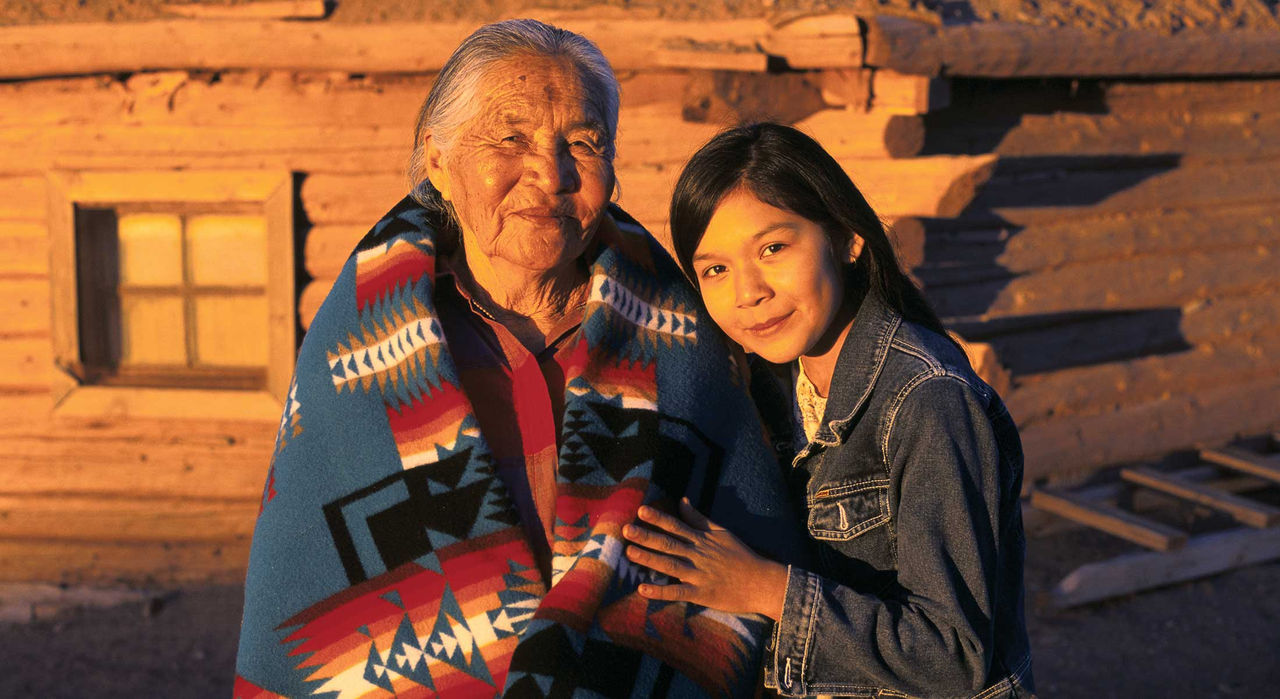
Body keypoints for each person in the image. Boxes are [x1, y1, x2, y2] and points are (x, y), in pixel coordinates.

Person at [235, 22, 805, 698]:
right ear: (438, 162)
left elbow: (750, 562)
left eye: (583, 144)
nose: (550, 172)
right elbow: (307, 591)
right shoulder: (359, 363)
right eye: (511, 138)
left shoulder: (684, 348)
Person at [622, 123, 1035, 698]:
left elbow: (951, 657)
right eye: (715, 269)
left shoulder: (927, 400)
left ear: (847, 238)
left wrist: (765, 589)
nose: (748, 292)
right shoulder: (772, 389)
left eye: (772, 248)